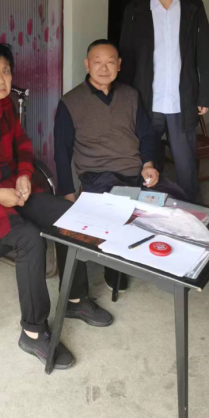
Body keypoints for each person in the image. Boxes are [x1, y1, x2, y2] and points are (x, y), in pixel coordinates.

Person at [0, 42, 114, 370]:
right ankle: (33, 332)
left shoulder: (5, 105)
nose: (1, 80)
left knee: (69, 216)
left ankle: (75, 299)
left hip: (12, 191)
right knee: (29, 238)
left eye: (6, 71)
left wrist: (23, 174)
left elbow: (22, 146)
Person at [54, 39, 185, 292]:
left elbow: (146, 135)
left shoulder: (130, 95)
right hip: (98, 175)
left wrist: (148, 164)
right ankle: (115, 269)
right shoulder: (70, 102)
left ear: (119, 65)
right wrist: (67, 193)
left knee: (177, 202)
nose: (104, 68)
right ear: (87, 64)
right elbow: (61, 151)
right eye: (97, 62)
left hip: (136, 172)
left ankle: (169, 265)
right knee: (119, 214)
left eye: (110, 62)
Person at [119, 0, 209, 203]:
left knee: (186, 163)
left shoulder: (193, 7)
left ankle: (191, 208)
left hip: (180, 98)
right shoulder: (135, 9)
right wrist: (124, 98)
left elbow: (205, 52)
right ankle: (153, 210)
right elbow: (126, 57)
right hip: (146, 98)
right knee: (148, 160)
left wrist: (205, 94)